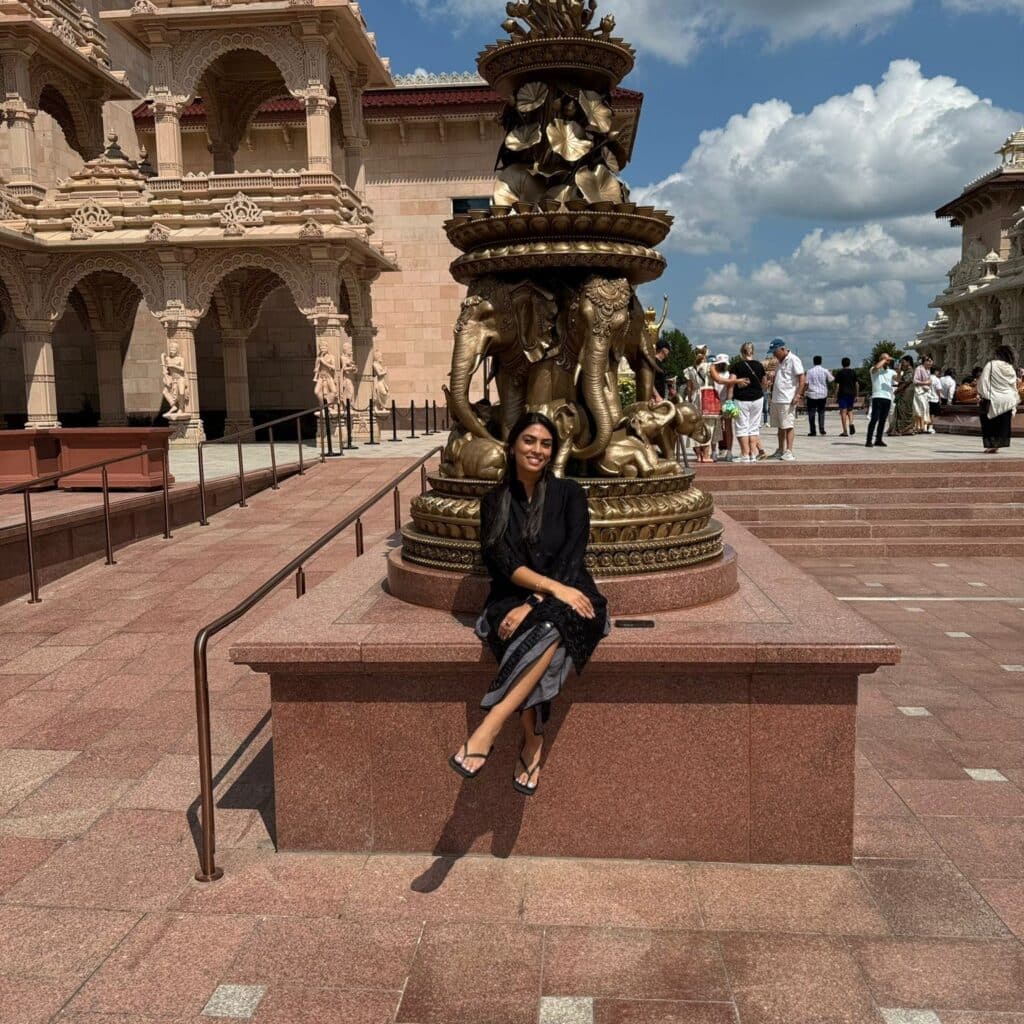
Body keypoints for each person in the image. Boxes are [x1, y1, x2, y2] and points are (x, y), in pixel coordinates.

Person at [450, 413, 608, 795]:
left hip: (574, 593)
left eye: (546, 443)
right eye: (529, 440)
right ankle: (532, 738)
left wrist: (540, 598)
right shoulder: (495, 501)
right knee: (542, 636)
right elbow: (502, 562)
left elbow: (573, 553)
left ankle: (491, 725)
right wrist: (534, 600)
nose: (538, 449)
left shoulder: (569, 492)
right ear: (512, 446)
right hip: (512, 598)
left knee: (550, 624)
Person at [767, 338, 805, 461]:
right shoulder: (779, 362)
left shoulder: (794, 359)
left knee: (788, 425)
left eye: (775, 351)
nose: (774, 354)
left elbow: (802, 378)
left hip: (787, 398)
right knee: (780, 426)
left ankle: (789, 450)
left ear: (783, 349)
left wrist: (798, 395)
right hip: (777, 398)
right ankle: (780, 449)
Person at [978, 345, 1020, 454]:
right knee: (1003, 423)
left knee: (989, 421)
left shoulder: (991, 364)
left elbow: (983, 382)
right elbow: (1014, 386)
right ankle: (998, 444)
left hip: (994, 397)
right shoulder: (1010, 368)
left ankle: (992, 445)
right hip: (1008, 398)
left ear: (997, 355)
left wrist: (985, 395)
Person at [732, 341, 767, 462]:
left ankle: (744, 454)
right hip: (758, 398)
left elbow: (732, 382)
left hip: (741, 399)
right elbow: (764, 383)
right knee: (753, 427)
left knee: (742, 427)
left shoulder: (737, 366)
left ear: (742, 352)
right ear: (753, 352)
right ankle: (753, 454)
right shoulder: (759, 365)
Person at [709, 353, 748, 462]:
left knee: (722, 428)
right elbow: (722, 382)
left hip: (721, 402)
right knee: (724, 428)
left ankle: (718, 452)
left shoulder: (715, 373)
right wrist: (737, 381)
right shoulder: (727, 374)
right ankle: (722, 452)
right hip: (722, 402)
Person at [684, 346, 714, 463]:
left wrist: (690, 401)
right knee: (707, 426)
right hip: (707, 396)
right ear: (706, 354)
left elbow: (689, 388)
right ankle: (706, 455)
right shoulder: (709, 367)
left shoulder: (690, 369)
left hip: (695, 397)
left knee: (695, 427)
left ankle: (698, 455)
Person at [866, 352, 896, 448]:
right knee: (874, 418)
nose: (888, 361)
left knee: (883, 420)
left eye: (888, 360)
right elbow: (876, 368)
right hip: (877, 396)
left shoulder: (891, 371)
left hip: (887, 397)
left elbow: (898, 379)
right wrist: (884, 359)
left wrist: (899, 370)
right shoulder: (874, 369)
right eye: (885, 359)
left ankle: (878, 439)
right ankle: (869, 440)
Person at [805, 355, 834, 437]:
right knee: (821, 412)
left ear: (813, 362)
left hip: (812, 394)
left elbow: (806, 383)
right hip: (822, 394)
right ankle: (822, 429)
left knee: (811, 413)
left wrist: (804, 392)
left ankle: (813, 431)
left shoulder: (809, 371)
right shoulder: (825, 371)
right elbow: (831, 379)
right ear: (821, 361)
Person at [889, 355, 916, 436]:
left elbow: (906, 382)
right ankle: (905, 429)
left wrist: (898, 389)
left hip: (906, 392)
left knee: (903, 409)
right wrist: (899, 372)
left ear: (908, 362)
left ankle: (902, 429)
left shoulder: (910, 371)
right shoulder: (906, 371)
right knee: (903, 409)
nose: (902, 364)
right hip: (905, 392)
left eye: (903, 362)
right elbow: (899, 380)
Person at [834, 357, 859, 436]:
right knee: (850, 410)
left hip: (842, 394)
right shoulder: (853, 372)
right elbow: (857, 384)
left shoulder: (840, 373)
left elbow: (837, 385)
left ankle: (845, 431)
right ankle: (851, 423)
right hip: (851, 394)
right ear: (849, 363)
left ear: (842, 364)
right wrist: (857, 394)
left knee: (843, 412)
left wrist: (835, 395)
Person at [912, 356, 933, 434]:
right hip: (919, 391)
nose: (930, 363)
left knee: (925, 408)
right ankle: (917, 427)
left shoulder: (927, 370)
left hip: (925, 392)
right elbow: (915, 380)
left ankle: (923, 427)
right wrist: (925, 383)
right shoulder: (919, 368)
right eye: (929, 361)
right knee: (920, 408)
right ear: (924, 362)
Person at [928, 365, 942, 433]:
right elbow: (938, 390)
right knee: (932, 414)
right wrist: (940, 399)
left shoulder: (927, 378)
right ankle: (930, 427)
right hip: (934, 398)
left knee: (927, 412)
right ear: (936, 371)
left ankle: (926, 426)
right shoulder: (936, 379)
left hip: (927, 398)